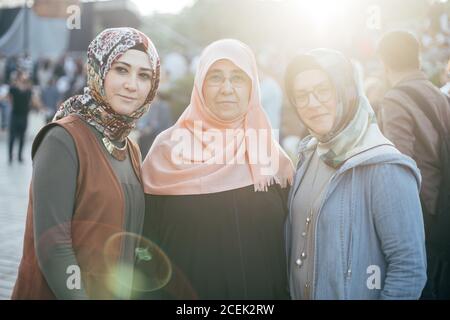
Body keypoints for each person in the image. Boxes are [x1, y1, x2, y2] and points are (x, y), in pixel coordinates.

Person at [11, 27, 160, 300]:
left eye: (144, 75)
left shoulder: (131, 149)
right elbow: (54, 246)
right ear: (97, 70)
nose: (132, 84)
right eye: (121, 70)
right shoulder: (64, 138)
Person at [140, 39, 294, 299]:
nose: (227, 89)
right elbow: (146, 246)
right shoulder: (168, 148)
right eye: (215, 77)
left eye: (238, 78)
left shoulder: (265, 150)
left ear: (252, 87)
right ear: (200, 84)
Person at [284, 49, 427, 300]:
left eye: (324, 90)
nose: (312, 103)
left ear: (346, 91)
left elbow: (409, 268)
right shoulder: (308, 155)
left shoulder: (384, 166)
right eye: (302, 95)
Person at [377, 30, 450, 299]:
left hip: (423, 210)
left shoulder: (395, 99)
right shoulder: (439, 94)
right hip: (444, 202)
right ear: (418, 58)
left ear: (384, 63)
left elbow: (399, 162)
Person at [8, 71, 33, 163]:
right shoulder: (13, 89)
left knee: (22, 137)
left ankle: (19, 156)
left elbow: (29, 100)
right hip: (15, 115)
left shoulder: (28, 91)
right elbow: (10, 97)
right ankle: (10, 156)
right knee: (12, 137)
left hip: (24, 115)